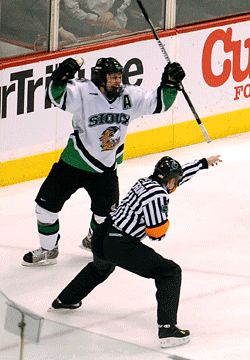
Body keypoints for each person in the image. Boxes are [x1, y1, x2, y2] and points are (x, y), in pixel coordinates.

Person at [22, 56, 186, 266]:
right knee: (44, 209)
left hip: (106, 169)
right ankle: (48, 249)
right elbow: (56, 96)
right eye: (112, 77)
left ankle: (92, 239)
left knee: (104, 217)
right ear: (100, 78)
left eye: (119, 77)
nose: (117, 81)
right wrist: (60, 77)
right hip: (73, 163)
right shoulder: (82, 92)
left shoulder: (129, 96)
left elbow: (159, 103)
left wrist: (170, 83)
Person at [49, 154, 222, 348]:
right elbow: (157, 233)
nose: (176, 185)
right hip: (119, 244)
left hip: (101, 235)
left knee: (100, 268)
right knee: (170, 272)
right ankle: (167, 329)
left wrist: (202, 163)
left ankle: (65, 299)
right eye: (175, 181)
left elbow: (176, 179)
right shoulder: (158, 195)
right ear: (169, 179)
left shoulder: (145, 182)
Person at [61, 0, 131, 38]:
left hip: (118, 22)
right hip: (88, 27)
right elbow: (72, 10)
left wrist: (112, 12)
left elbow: (125, 1)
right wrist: (98, 19)